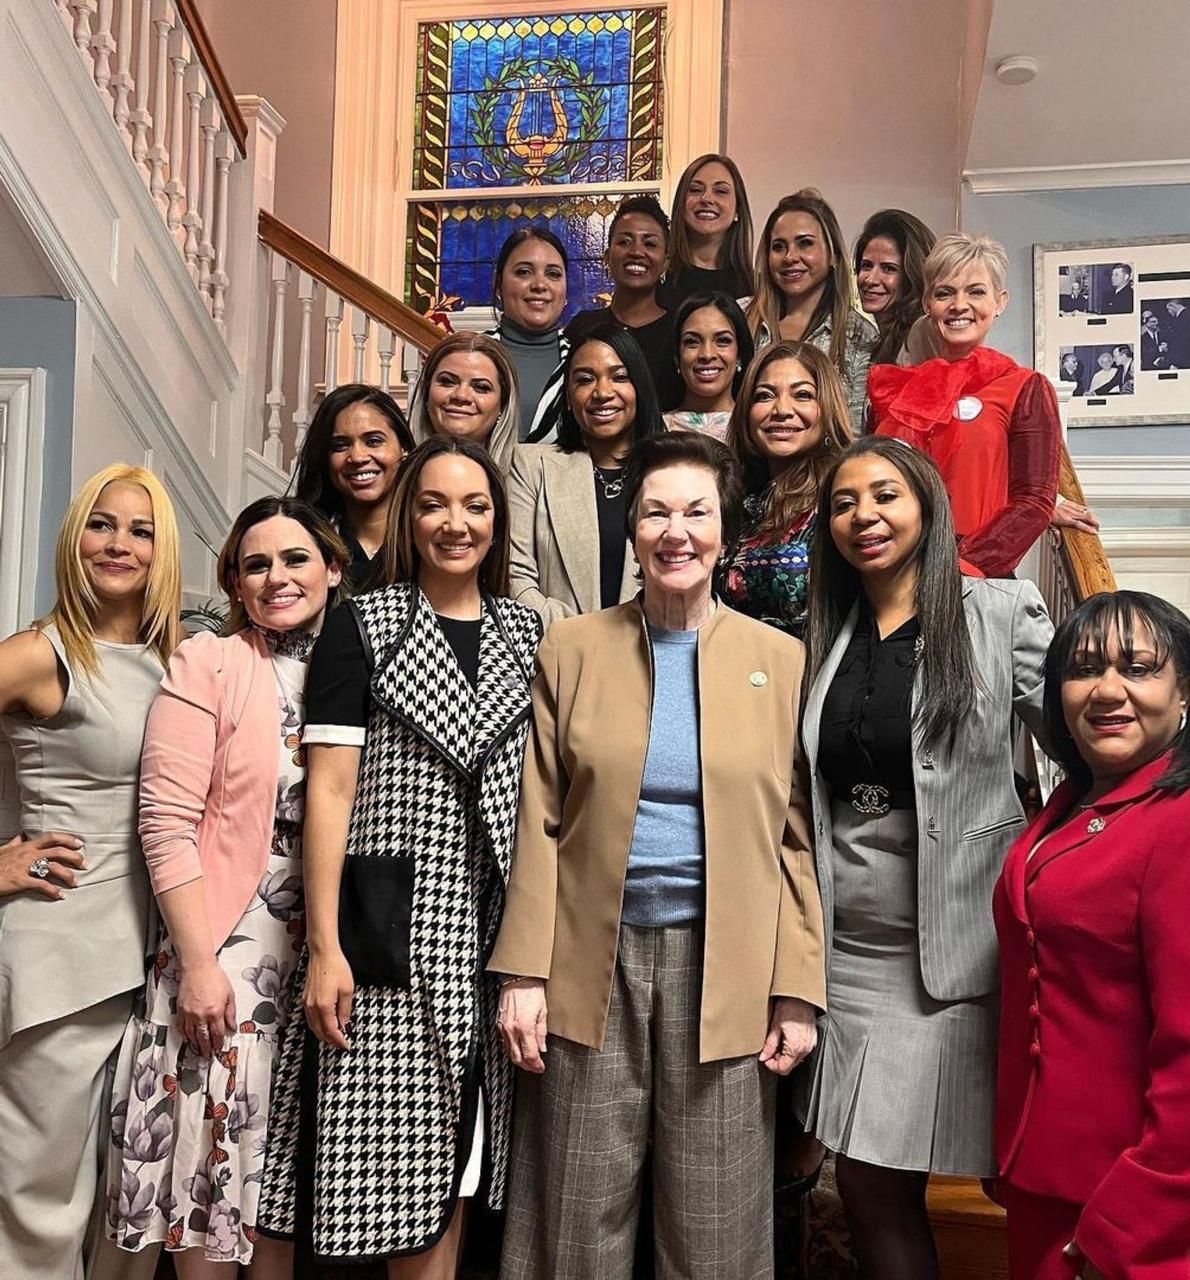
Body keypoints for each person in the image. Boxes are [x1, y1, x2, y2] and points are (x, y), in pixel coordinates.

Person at [491, 430, 826, 1279]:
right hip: (585, 965)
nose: (675, 532)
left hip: (727, 970)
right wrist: (524, 973)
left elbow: (795, 839)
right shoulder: (571, 648)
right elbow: (539, 818)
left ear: (723, 529)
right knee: (575, 1215)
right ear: (633, 529)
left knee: (715, 1227)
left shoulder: (778, 659)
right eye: (655, 512)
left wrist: (797, 990)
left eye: (696, 512)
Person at [257, 436, 542, 1276]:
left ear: (498, 520)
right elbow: (331, 793)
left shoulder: (528, 632)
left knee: (464, 1157)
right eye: (434, 504)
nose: (457, 524)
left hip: (492, 929)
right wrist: (325, 946)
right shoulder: (362, 623)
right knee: (384, 1172)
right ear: (410, 517)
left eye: (476, 506)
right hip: (388, 931)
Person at [799, 436, 1053, 1280]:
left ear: (927, 506)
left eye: (884, 496)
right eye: (843, 503)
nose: (863, 516)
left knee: (882, 1180)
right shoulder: (824, 629)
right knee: (866, 1186)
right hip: (845, 949)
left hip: (950, 948)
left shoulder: (999, 614)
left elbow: (1084, 737)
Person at [993, 591, 1190, 1280]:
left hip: (1146, 1211)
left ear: (1186, 691)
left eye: (1140, 667)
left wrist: (1131, 1222)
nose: (1108, 689)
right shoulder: (1074, 804)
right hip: (1052, 1179)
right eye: (1085, 668)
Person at [103, 498, 348, 1276]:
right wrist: (199, 962)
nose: (277, 577)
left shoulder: (359, 661)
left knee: (276, 1176)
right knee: (210, 1175)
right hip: (229, 942)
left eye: (296, 558)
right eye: (256, 564)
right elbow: (165, 822)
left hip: (326, 940)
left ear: (334, 568)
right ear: (235, 584)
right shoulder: (207, 661)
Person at [0, 464, 183, 1280]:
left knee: (130, 1201)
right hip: (62, 954)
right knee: (40, 1201)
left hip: (153, 961)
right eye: (102, 525)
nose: (120, 544)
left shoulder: (178, 661)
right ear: (75, 538)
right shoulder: (42, 654)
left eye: (140, 530)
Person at [869, 232, 1061, 578]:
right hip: (893, 577)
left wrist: (957, 567)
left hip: (975, 578)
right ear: (929, 303)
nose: (959, 305)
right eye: (945, 293)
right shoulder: (895, 392)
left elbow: (1033, 501)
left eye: (976, 291)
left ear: (1000, 301)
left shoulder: (1025, 389)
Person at [508, 323, 664, 623]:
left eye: (619, 377)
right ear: (567, 396)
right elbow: (516, 577)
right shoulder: (530, 467)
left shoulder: (670, 473)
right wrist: (586, 639)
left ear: (639, 389)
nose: (603, 392)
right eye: (585, 380)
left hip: (653, 652)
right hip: (556, 653)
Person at [725, 341, 856, 639]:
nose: (781, 409)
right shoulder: (737, 496)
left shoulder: (842, 495)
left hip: (812, 675)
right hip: (731, 671)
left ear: (827, 408)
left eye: (803, 395)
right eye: (765, 396)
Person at [746, 189, 877, 427]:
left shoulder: (859, 335)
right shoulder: (741, 317)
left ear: (833, 256)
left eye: (805, 244)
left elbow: (854, 431)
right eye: (778, 246)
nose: (790, 256)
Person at [292, 384, 416, 588]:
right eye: (340, 446)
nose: (357, 457)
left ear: (404, 449)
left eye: (374, 441)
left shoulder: (428, 539)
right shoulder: (306, 541)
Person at [564, 195, 680, 406]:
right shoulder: (583, 328)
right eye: (625, 241)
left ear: (665, 263)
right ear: (607, 257)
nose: (636, 252)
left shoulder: (680, 332)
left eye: (650, 243)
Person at [487, 227, 570, 444]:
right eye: (524, 272)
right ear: (498, 284)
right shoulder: (467, 357)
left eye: (553, 274)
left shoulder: (582, 362)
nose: (540, 285)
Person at [413, 331, 521, 475]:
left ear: (503, 404)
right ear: (426, 394)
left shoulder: (527, 480)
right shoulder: (394, 476)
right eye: (447, 381)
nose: (461, 395)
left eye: (481, 387)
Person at [663, 153, 755, 307]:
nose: (706, 198)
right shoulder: (659, 276)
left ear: (738, 209)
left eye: (720, 191)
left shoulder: (757, 286)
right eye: (695, 190)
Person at [663, 290, 754, 441]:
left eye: (722, 341)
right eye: (692, 342)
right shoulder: (653, 427)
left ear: (739, 355)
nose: (707, 354)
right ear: (677, 357)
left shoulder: (758, 427)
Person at [853, 209, 937, 365]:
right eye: (866, 266)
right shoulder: (876, 339)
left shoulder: (921, 336)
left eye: (888, 268)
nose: (871, 280)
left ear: (912, 275)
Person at [1160, 298, 1190, 369]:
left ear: (1172, 306)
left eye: (1168, 309)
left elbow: (1182, 340)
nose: (1168, 312)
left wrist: (1168, 347)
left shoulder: (1184, 317)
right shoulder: (1188, 314)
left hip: (1183, 360)